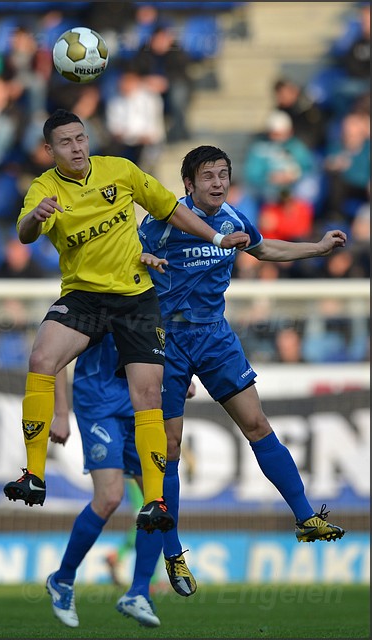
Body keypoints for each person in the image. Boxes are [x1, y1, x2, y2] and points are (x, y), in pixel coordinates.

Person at [2, 110, 250, 537]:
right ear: (50, 150)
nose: (77, 147)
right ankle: (34, 474)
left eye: (81, 138)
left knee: (147, 394)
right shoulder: (44, 188)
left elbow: (170, 209)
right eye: (66, 142)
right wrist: (35, 217)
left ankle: (154, 501)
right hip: (84, 296)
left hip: (135, 296)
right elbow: (24, 234)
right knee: (42, 357)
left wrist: (217, 238)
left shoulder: (121, 170)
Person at [132, 144, 346, 598]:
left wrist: (318, 248)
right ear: (188, 184)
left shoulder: (233, 218)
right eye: (208, 176)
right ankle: (173, 553)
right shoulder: (161, 224)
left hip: (214, 337)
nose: (217, 182)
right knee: (169, 447)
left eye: (223, 174)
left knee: (257, 423)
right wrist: (141, 264)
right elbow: (128, 266)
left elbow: (263, 249)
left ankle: (306, 517)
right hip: (167, 340)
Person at [46, 332, 196, 628]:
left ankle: (139, 591)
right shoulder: (91, 292)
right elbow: (54, 352)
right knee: (110, 497)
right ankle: (62, 579)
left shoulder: (149, 294)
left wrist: (177, 376)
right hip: (99, 403)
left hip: (142, 402)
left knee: (156, 499)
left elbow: (160, 340)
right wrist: (61, 412)